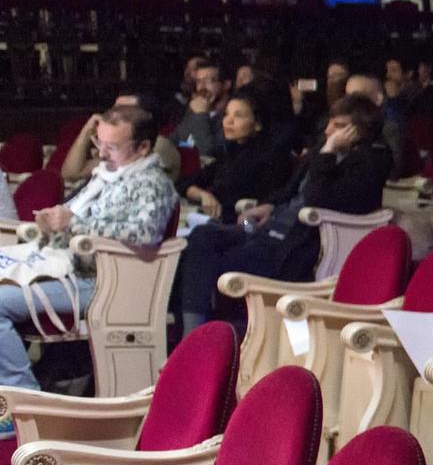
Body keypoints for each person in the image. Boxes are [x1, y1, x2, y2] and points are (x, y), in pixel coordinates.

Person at [176, 97, 393, 333]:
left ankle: (200, 336)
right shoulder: (325, 149)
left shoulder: (370, 160)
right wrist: (268, 206)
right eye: (330, 123)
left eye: (338, 126)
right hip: (272, 228)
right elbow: (290, 191)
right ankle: (194, 335)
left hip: (293, 245)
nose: (329, 131)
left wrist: (328, 152)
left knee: (207, 261)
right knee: (198, 239)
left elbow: (316, 199)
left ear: (359, 131)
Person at [2, 106, 176, 388]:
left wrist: (72, 224)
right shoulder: (105, 175)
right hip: (65, 268)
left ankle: (21, 397)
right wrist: (51, 224)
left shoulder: (152, 183)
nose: (102, 154)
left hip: (101, 280)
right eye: (99, 143)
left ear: (143, 147)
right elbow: (72, 220)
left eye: (112, 147)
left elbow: (145, 233)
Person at [179, 90, 293, 221]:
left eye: (238, 116)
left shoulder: (271, 157)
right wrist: (203, 195)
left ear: (258, 124)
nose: (228, 121)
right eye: (226, 114)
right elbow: (184, 182)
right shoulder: (229, 152)